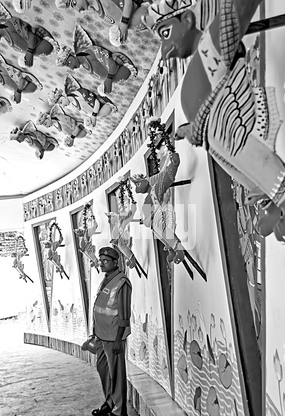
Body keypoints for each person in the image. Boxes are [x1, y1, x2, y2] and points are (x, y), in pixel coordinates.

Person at [145, 0, 285, 241]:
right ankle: (270, 200)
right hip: (216, 134)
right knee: (247, 169)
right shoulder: (205, 49)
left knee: (253, 157)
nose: (166, 50)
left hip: (227, 126)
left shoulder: (211, 41)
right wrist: (192, 129)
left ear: (187, 20)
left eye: (166, 33)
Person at [91, 246, 132, 416]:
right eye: (101, 261)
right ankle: (109, 402)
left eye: (105, 261)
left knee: (116, 374)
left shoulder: (121, 282)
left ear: (115, 263)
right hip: (101, 335)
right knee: (103, 370)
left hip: (113, 337)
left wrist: (118, 340)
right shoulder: (106, 280)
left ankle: (119, 412)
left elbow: (124, 315)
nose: (101, 263)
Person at [56, 24, 137, 95]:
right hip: (115, 78)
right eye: (68, 66)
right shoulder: (85, 67)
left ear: (73, 54)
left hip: (120, 68)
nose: (71, 68)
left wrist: (109, 78)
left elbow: (110, 63)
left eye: (69, 63)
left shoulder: (92, 52)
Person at [55, 0, 153, 46]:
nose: (77, 9)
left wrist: (124, 23)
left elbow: (128, 2)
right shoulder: (95, 8)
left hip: (144, 8)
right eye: (72, 7)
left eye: (74, 3)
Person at [0, 2, 59, 68]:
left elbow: (34, 38)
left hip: (47, 43)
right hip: (48, 51)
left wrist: (29, 52)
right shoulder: (5, 37)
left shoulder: (10, 25)